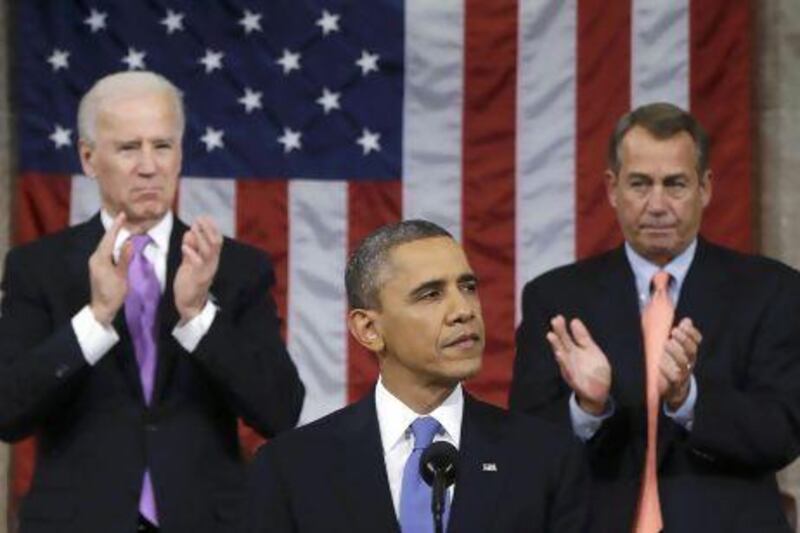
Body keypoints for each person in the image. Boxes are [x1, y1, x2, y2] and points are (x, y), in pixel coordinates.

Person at [0, 71, 305, 533]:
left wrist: (199, 315)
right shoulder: (37, 268)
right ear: (88, 158)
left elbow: (280, 411)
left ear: (180, 154)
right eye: (128, 148)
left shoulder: (234, 267)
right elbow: (8, 412)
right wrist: (96, 318)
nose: (149, 166)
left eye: (162, 146)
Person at [510, 102, 800, 532]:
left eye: (676, 184)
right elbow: (526, 446)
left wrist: (689, 399)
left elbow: (782, 433)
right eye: (640, 184)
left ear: (705, 188)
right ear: (612, 189)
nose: (658, 204)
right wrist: (587, 408)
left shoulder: (770, 290)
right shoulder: (555, 298)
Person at [247, 220, 589, 533]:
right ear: (368, 328)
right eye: (431, 294)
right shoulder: (291, 469)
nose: (463, 311)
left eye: (467, 287)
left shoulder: (546, 459)